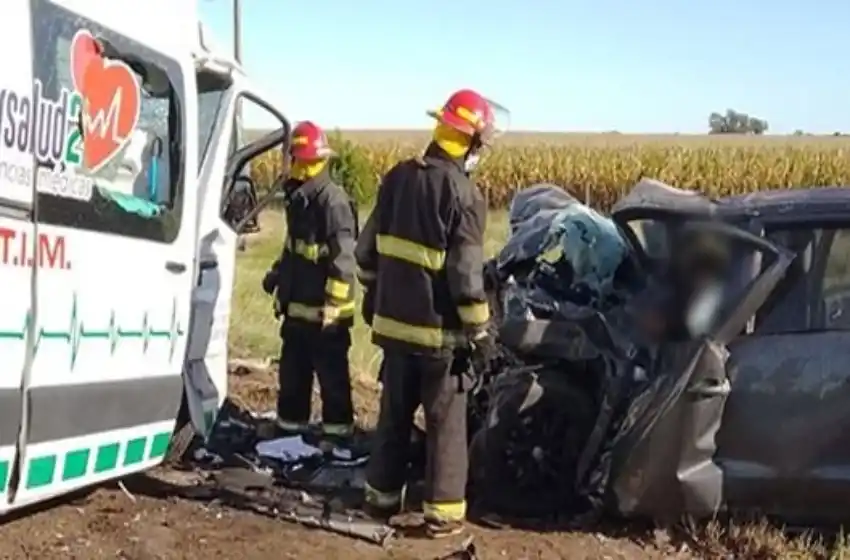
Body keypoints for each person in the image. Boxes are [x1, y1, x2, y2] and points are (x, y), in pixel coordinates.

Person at [356, 89, 506, 538]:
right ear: (473, 143)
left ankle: (380, 500)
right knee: (446, 426)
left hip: (394, 334)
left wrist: (377, 296)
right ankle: (442, 516)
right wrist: (481, 333)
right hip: (440, 340)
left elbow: (365, 255)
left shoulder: (397, 178)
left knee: (393, 418)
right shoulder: (464, 195)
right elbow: (464, 278)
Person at [262, 120, 358, 446]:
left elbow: (344, 258)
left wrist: (334, 305)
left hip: (325, 316)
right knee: (293, 377)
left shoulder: (333, 201)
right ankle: (290, 435)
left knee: (332, 380)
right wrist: (278, 276)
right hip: (298, 309)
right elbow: (295, 248)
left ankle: (338, 439)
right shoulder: (299, 197)